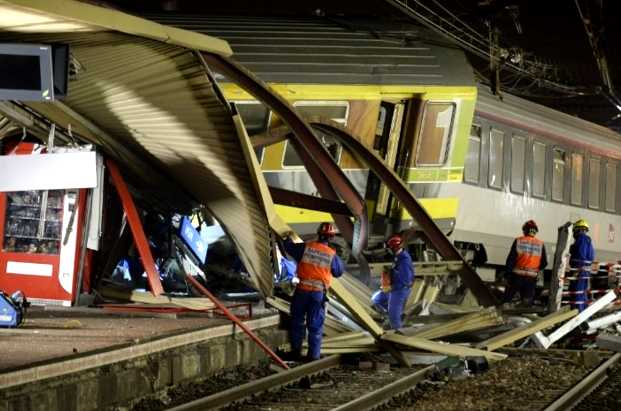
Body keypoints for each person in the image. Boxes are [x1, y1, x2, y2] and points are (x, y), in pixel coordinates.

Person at [284, 222, 344, 361]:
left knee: (297, 321)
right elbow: (338, 272)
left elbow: (289, 247)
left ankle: (295, 352)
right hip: (317, 294)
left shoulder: (306, 247)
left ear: (318, 234)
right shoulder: (332, 255)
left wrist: (287, 238)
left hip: (302, 291)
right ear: (332, 238)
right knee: (315, 325)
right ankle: (313, 357)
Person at [371, 234, 414, 329]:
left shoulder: (404, 261)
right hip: (394, 287)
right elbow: (397, 271)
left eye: (390, 248)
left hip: (400, 290)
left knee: (393, 316)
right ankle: (393, 315)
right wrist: (389, 273)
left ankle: (398, 334)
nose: (389, 250)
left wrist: (391, 287)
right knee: (376, 299)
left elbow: (406, 281)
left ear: (394, 248)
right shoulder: (398, 256)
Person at [503, 220, 547, 306]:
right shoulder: (540, 244)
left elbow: (511, 259)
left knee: (507, 300)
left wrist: (507, 275)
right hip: (531, 278)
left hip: (517, 277)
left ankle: (503, 314)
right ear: (535, 231)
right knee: (526, 303)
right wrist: (535, 270)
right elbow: (544, 263)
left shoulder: (519, 241)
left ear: (525, 230)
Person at [568, 219, 595, 312]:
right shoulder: (588, 241)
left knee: (577, 293)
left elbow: (580, 255)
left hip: (579, 270)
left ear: (578, 229)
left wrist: (577, 270)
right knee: (582, 294)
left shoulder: (581, 239)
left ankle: (577, 315)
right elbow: (591, 257)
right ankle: (583, 313)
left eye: (574, 230)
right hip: (585, 271)